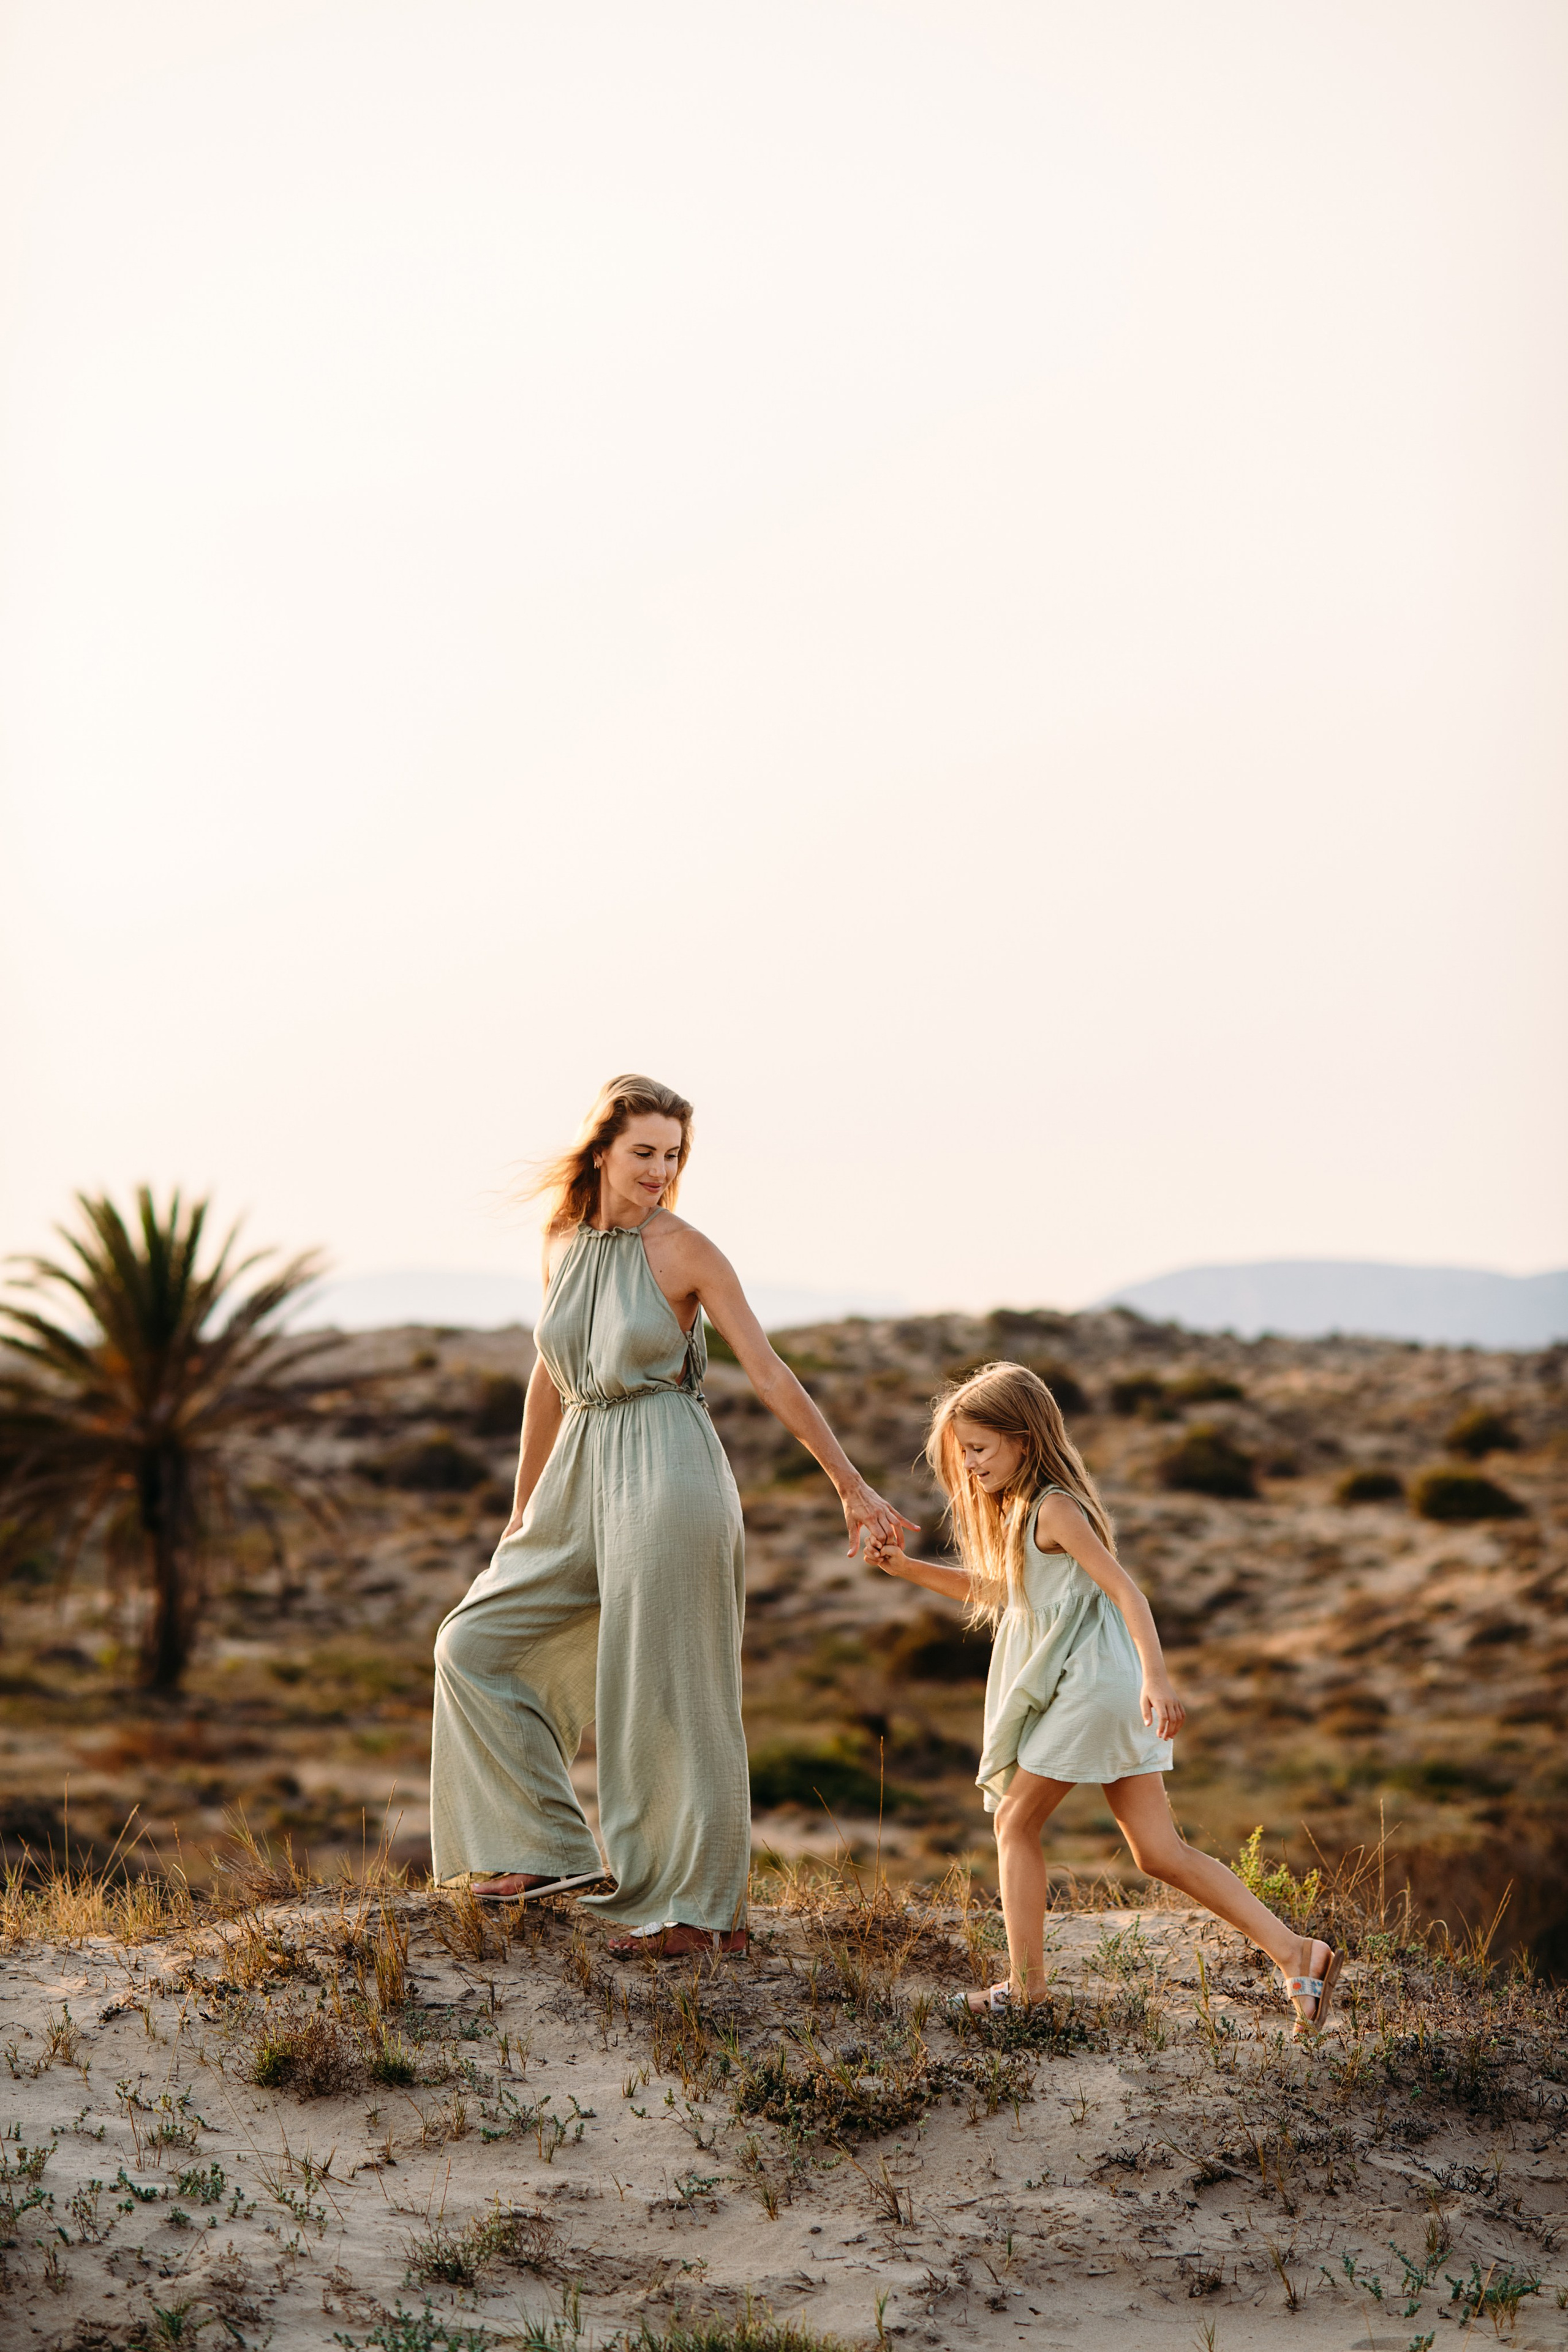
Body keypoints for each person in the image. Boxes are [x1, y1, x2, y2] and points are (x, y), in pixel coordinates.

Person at [430, 1074, 914, 1959]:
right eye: (644, 1153)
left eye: (674, 1156)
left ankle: (700, 1914)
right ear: (603, 1150)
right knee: (473, 1644)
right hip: (579, 1472)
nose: (660, 1171)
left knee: (668, 1691)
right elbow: (550, 1370)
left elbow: (768, 1371)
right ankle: (544, 1851)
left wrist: (851, 1483)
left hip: (669, 1469)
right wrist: (521, 1504)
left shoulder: (687, 1251)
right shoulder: (562, 1241)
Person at [865, 1362, 1342, 2037]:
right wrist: (906, 1568)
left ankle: (1026, 1991)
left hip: (1093, 1686)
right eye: (961, 1453)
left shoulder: (1054, 1506)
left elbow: (1128, 1593)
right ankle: (1296, 1951)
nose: (968, 1464)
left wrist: (1157, 1678)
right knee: (1156, 1851)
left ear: (1023, 1439)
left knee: (1014, 1824)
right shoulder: (1022, 1511)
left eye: (978, 1448)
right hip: (1090, 1683)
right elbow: (1007, 1595)